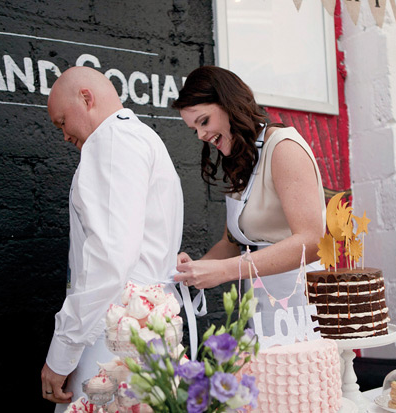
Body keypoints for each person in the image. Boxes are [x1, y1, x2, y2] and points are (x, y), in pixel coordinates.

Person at [41, 66, 183, 410]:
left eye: (62, 121)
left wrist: (61, 354)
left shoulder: (111, 140)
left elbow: (110, 259)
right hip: (147, 327)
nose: (64, 135)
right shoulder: (142, 138)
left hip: (114, 334)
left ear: (86, 99)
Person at [172, 66, 326, 336]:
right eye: (194, 128)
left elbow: (312, 242)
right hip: (261, 304)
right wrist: (195, 271)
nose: (201, 136)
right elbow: (232, 243)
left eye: (204, 121)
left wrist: (224, 272)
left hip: (302, 303)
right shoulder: (243, 160)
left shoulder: (283, 148)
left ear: (229, 104)